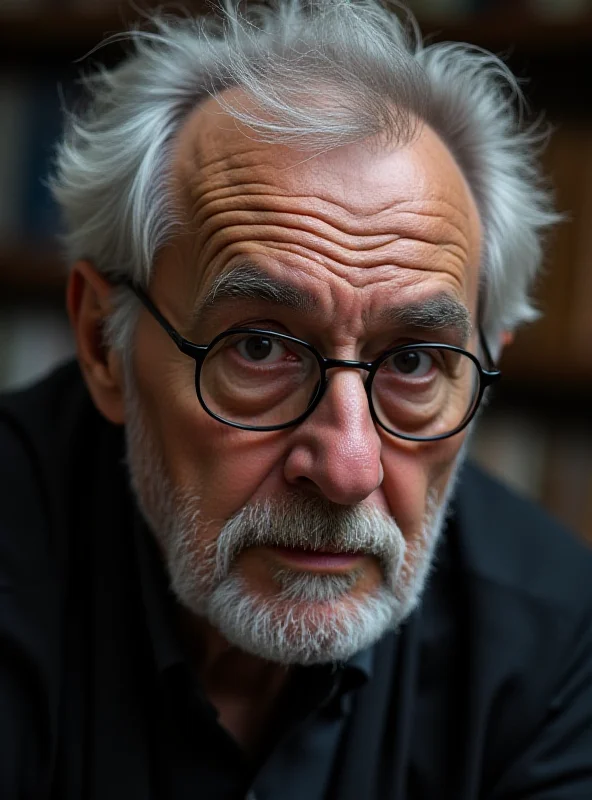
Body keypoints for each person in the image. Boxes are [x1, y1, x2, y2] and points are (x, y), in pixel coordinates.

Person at [1, 0, 591, 797]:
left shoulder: (554, 639)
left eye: (416, 360)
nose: (348, 468)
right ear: (105, 344)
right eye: (258, 348)